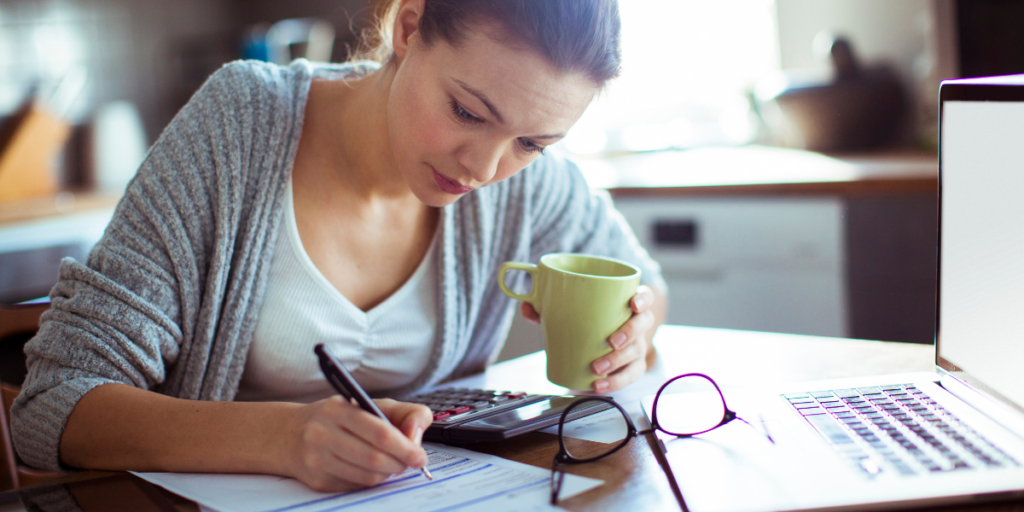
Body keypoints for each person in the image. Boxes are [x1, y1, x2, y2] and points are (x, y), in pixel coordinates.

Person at [12, 0, 667, 492]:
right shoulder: (240, 126)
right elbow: (54, 403)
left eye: (532, 144)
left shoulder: (529, 185)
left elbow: (646, 286)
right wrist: (284, 438)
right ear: (408, 29)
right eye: (468, 112)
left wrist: (636, 329)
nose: (485, 167)